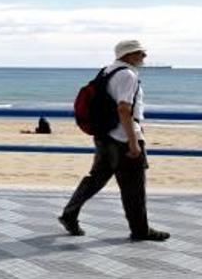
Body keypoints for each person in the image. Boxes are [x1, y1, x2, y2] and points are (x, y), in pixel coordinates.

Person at [59, 40, 170, 242]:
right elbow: (123, 108)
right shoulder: (128, 75)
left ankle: (69, 213)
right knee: (134, 186)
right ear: (129, 55)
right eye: (140, 53)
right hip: (123, 136)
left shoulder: (107, 71)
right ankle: (140, 230)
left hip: (104, 134)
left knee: (96, 178)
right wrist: (133, 142)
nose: (144, 57)